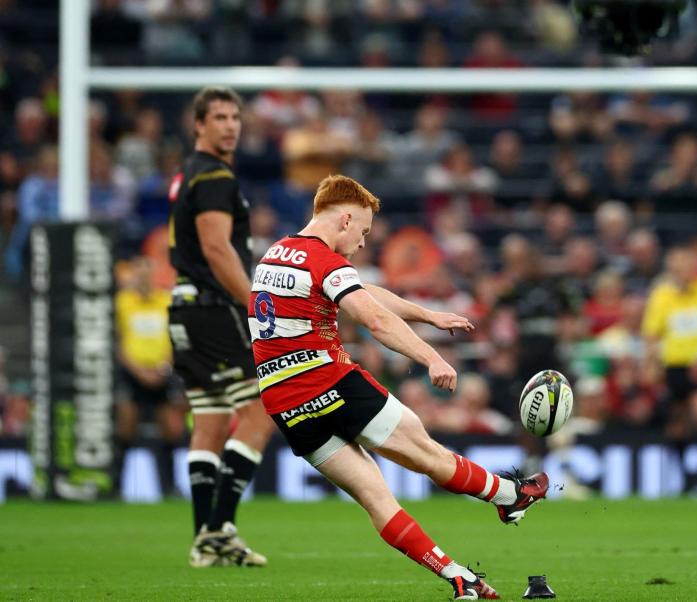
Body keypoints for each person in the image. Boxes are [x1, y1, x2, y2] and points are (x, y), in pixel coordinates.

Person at [249, 174, 548, 600]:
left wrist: (429, 315)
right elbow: (372, 319)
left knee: (377, 501)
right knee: (428, 455)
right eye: (364, 232)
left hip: (284, 404)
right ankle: (509, 495)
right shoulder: (324, 261)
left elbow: (361, 290)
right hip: (329, 382)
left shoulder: (276, 255)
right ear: (346, 219)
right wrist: (431, 356)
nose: (364, 243)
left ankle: (457, 576)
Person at [167, 87, 275, 567]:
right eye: (219, 117)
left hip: (184, 307)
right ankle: (218, 527)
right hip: (212, 308)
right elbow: (216, 248)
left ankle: (204, 541)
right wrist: (253, 303)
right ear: (198, 125)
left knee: (209, 422)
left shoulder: (189, 172)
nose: (231, 125)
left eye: (236, 117)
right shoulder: (212, 173)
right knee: (260, 411)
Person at [642, 243, 697, 495]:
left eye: (685, 265)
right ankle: (685, 477)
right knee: (677, 424)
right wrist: (650, 364)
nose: (680, 271)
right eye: (675, 266)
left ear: (695, 266)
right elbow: (651, 334)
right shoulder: (662, 295)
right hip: (674, 366)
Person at [115, 256, 184, 496]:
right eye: (139, 272)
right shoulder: (122, 303)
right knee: (126, 428)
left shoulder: (165, 300)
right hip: (132, 372)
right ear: (132, 274)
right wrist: (138, 370)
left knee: (169, 429)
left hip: (161, 372)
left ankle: (170, 486)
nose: (143, 277)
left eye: (147, 272)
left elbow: (175, 338)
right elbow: (118, 340)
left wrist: (163, 367)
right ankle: (116, 486)